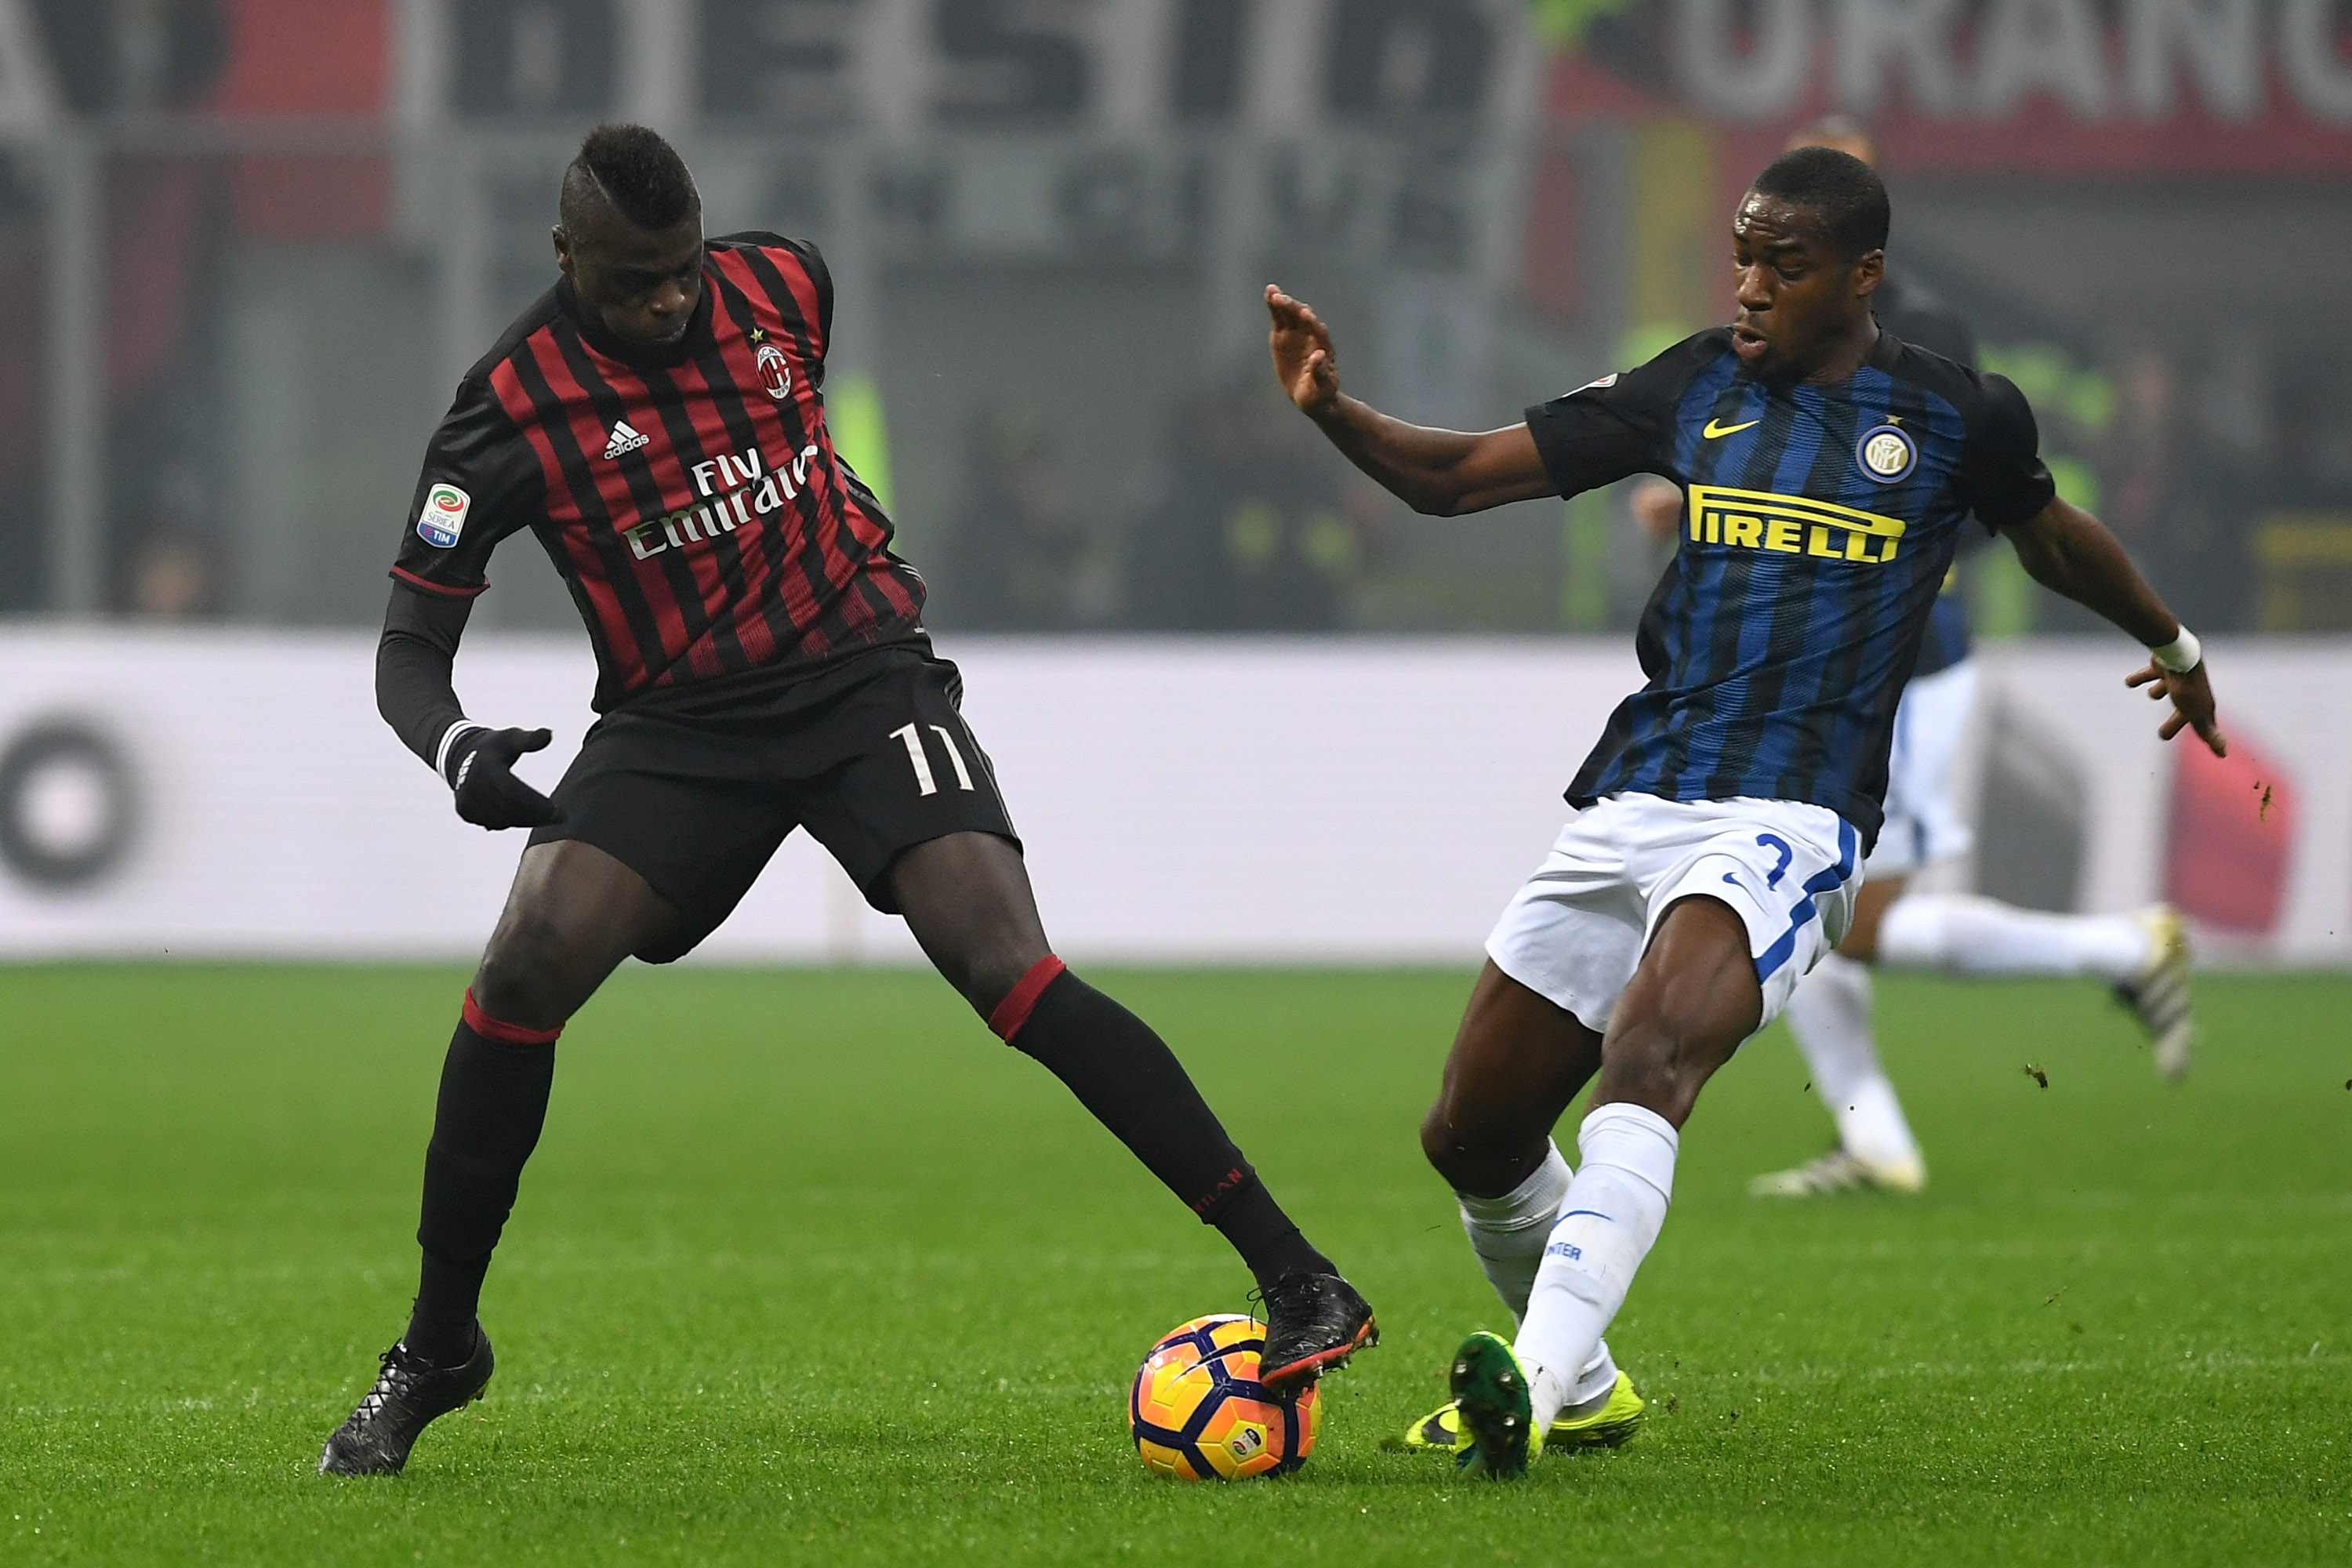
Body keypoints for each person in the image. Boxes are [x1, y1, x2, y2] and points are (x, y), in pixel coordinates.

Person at [318, 125, 1374, 1479]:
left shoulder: (786, 285)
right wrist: (455, 746)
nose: (671, 301)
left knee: (1008, 963)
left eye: (685, 269)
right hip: (679, 725)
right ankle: (437, 1348)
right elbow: (408, 653)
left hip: (861, 678)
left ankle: (1298, 1277)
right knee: (525, 963)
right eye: (636, 282)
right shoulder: (507, 409)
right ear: (565, 254)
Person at [1267, 144, 2224, 1477]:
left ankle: (1527, 1386)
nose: (1753, 286)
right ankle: (1585, 1388)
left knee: (1652, 1055)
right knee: (1473, 1134)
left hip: (1794, 811)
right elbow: (1459, 477)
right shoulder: (1693, 383)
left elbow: (2052, 537)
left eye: (1787, 263)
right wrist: (1333, 411)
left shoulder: (1956, 415)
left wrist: (2174, 647)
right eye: (1743, 258)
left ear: (1862, 275)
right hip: (1641, 790)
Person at [1626, 121, 2192, 1202]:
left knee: (1855, 920)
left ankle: (2124, 951)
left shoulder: (1923, 335)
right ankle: (1876, 1140)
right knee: (1798, 906)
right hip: (1817, 672)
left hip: (1910, 667)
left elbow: (1982, 500)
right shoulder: (1767, 338)